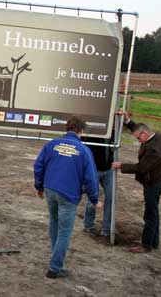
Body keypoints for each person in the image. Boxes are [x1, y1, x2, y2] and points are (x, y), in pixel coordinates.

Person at [34, 116, 101, 279]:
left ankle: (55, 261)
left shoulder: (52, 144)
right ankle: (55, 268)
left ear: (67, 128)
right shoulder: (84, 151)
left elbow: (38, 165)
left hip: (50, 189)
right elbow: (91, 178)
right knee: (64, 232)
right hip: (68, 194)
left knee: (54, 222)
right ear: (82, 130)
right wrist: (94, 199)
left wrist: (39, 186)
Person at [112, 111, 161, 253]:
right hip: (156, 182)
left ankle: (146, 245)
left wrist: (121, 166)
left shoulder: (155, 151)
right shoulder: (156, 137)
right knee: (153, 213)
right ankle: (154, 241)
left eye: (138, 138)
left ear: (144, 134)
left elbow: (141, 168)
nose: (138, 141)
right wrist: (127, 121)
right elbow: (137, 128)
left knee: (150, 215)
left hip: (153, 185)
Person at [82, 134, 115, 238]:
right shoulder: (96, 129)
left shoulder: (113, 131)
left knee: (111, 197)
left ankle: (107, 229)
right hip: (94, 169)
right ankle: (89, 225)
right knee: (93, 195)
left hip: (108, 169)